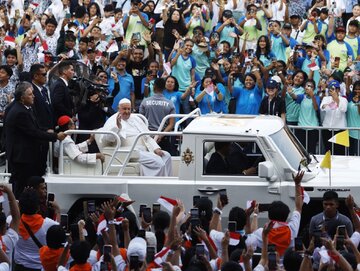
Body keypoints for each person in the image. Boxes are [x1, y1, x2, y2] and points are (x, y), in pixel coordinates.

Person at [4, 82, 66, 198]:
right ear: (22, 98)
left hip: (22, 155)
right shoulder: (20, 112)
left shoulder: (21, 107)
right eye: (30, 94)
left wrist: (46, 130)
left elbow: (33, 127)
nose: (34, 96)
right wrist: (55, 136)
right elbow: (33, 133)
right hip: (22, 158)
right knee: (22, 188)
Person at [101, 98, 172, 176]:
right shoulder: (112, 120)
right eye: (124, 109)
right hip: (130, 151)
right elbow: (108, 138)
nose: (127, 111)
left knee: (166, 156)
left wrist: (156, 148)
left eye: (129, 109)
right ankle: (157, 185)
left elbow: (147, 136)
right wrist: (117, 126)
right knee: (158, 162)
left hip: (144, 149)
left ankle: (167, 182)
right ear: (118, 109)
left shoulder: (136, 118)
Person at [14, 189, 59, 270]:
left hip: (19, 267)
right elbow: (58, 230)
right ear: (38, 207)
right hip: (40, 267)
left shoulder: (13, 222)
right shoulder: (48, 224)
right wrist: (58, 210)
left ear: (20, 206)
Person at [139, 78, 176, 155]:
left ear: (154, 87)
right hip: (163, 139)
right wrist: (161, 135)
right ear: (164, 88)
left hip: (147, 138)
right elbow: (171, 124)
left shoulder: (145, 102)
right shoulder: (170, 104)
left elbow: (140, 121)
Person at [30, 64, 54, 174]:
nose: (46, 77)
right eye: (44, 74)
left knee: (43, 164)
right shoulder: (30, 91)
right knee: (37, 167)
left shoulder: (43, 89)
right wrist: (43, 130)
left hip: (47, 133)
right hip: (39, 134)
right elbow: (34, 114)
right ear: (35, 76)